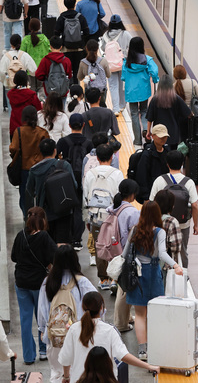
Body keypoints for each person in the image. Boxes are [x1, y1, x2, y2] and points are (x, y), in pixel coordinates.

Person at [123, 201, 183, 360]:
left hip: (137, 274)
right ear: (157, 215)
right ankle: (155, 345)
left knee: (140, 315)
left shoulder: (135, 230)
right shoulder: (160, 232)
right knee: (155, 313)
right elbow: (162, 254)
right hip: (153, 274)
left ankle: (142, 350)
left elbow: (124, 254)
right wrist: (175, 265)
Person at [58, 292, 160, 383]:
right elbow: (123, 356)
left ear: (82, 307)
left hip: (78, 379)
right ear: (101, 308)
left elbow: (65, 358)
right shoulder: (109, 330)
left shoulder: (74, 329)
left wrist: (66, 377)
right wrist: (148, 366)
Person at [37, 245, 95, 383]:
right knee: (77, 370)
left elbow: (42, 309)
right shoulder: (82, 282)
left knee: (57, 371)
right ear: (75, 260)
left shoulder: (48, 282)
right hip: (78, 333)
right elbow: (98, 306)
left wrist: (42, 329)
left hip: (54, 334)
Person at [11, 207, 57, 364]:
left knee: (25, 320)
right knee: (42, 317)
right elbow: (55, 256)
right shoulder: (44, 236)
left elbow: (13, 257)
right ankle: (43, 351)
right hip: (39, 283)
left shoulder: (20, 235)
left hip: (21, 282)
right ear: (43, 220)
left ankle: (28, 356)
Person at [83, 143, 124, 290]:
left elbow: (85, 197)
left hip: (95, 216)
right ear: (112, 156)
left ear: (97, 157)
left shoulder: (90, 174)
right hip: (112, 216)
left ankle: (103, 279)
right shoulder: (117, 174)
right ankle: (114, 278)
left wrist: (87, 218)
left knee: (99, 245)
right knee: (115, 245)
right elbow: (120, 196)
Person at [149, 150, 198, 268]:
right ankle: (183, 275)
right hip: (183, 224)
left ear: (167, 164)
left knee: (160, 249)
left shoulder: (160, 180)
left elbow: (151, 202)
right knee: (182, 251)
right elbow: (195, 205)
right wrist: (195, 225)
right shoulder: (189, 182)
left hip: (162, 223)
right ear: (182, 164)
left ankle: (162, 272)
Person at [25, 138, 77, 244]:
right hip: (64, 209)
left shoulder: (34, 170)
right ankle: (61, 260)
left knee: (47, 243)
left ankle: (50, 260)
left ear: (40, 152)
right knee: (62, 242)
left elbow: (30, 190)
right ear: (55, 150)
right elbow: (74, 185)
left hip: (44, 212)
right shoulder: (64, 165)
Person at [56, 113, 93, 250]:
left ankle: (68, 238)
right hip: (83, 178)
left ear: (70, 125)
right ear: (83, 125)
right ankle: (77, 240)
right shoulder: (89, 143)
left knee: (66, 207)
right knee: (79, 208)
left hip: (66, 178)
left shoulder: (62, 142)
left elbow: (56, 157)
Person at [108, 179, 140, 333]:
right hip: (125, 254)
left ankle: (126, 317)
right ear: (132, 194)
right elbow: (134, 235)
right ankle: (120, 323)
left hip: (114, 250)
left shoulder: (114, 207)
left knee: (124, 285)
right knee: (124, 289)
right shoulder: (132, 212)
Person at [9, 105, 49, 215]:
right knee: (42, 193)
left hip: (24, 168)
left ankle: (27, 216)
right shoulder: (42, 132)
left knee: (25, 194)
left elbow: (14, 148)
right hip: (41, 167)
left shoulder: (19, 132)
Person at [121, 36, 159, 146]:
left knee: (133, 114)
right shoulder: (147, 60)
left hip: (131, 92)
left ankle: (137, 140)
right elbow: (155, 72)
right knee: (144, 111)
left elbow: (123, 77)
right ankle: (146, 131)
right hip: (143, 90)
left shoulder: (126, 62)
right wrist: (155, 80)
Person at [146, 74, 191, 150]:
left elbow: (150, 118)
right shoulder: (176, 98)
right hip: (173, 134)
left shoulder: (155, 99)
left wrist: (148, 132)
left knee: (159, 154)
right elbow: (188, 114)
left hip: (158, 134)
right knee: (172, 157)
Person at [101, 14, 131, 116]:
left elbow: (102, 48)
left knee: (113, 85)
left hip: (110, 65)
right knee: (122, 85)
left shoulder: (105, 35)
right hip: (123, 63)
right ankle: (122, 105)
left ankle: (116, 109)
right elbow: (131, 45)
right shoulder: (125, 34)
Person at [55, 0, 89, 85]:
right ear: (75, 4)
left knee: (67, 70)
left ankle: (69, 89)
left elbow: (56, 33)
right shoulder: (80, 17)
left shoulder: (62, 17)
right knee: (76, 70)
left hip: (66, 49)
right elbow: (87, 32)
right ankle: (76, 89)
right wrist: (81, 42)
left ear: (65, 5)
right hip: (78, 49)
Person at [0, 34, 37, 110]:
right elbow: (34, 70)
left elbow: (2, 72)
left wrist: (5, 81)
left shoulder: (6, 56)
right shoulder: (25, 55)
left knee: (11, 108)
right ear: (21, 43)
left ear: (11, 44)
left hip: (10, 86)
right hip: (23, 86)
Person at [135, 124, 170, 204]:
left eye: (165, 136)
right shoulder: (147, 154)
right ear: (153, 136)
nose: (163, 139)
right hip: (151, 194)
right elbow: (142, 176)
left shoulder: (167, 151)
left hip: (165, 193)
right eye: (160, 136)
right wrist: (146, 197)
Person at [7, 70, 42, 138]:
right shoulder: (31, 95)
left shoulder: (11, 94)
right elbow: (38, 108)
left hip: (14, 127)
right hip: (28, 127)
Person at [21, 18, 50, 98]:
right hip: (42, 69)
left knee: (31, 88)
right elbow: (49, 52)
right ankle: (42, 105)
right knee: (41, 88)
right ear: (39, 27)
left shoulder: (26, 39)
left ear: (29, 27)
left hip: (30, 70)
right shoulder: (44, 38)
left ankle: (32, 106)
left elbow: (21, 54)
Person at [78, 39, 110, 107]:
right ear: (97, 49)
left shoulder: (83, 62)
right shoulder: (103, 61)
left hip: (89, 90)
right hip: (101, 90)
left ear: (86, 48)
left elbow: (79, 77)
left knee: (89, 108)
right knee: (102, 108)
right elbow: (108, 75)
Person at [154, 189, 182, 265]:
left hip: (147, 263)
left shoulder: (148, 218)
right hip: (165, 264)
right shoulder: (172, 222)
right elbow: (176, 247)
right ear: (171, 206)